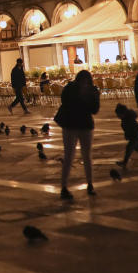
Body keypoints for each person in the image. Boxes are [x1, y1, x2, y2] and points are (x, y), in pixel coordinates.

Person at [54, 70, 100, 199]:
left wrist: (86, 97)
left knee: (86, 156)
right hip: (73, 125)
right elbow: (66, 102)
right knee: (70, 156)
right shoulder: (72, 89)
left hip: (80, 126)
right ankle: (64, 187)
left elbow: (95, 109)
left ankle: (89, 184)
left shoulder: (89, 90)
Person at [114, 103, 138, 169]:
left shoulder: (130, 120)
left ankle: (124, 162)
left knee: (128, 148)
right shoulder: (125, 119)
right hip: (132, 136)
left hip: (134, 136)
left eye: (118, 114)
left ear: (123, 113)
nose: (118, 116)